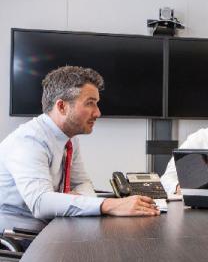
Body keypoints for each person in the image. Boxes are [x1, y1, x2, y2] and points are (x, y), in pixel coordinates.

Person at [0, 66, 160, 233]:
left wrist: (80, 201)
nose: (98, 113)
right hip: (19, 238)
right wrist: (108, 205)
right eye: (90, 103)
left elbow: (81, 182)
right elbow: (40, 203)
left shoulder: (70, 139)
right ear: (62, 107)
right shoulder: (29, 140)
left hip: (50, 228)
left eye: (96, 104)